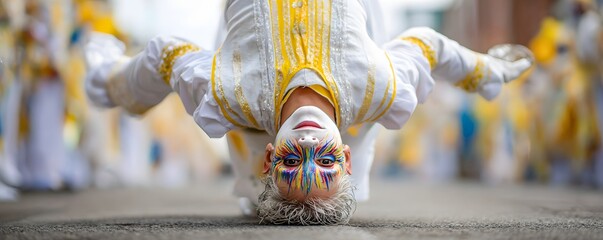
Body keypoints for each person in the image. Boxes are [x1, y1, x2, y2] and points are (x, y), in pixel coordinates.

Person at [85, 0, 533, 225]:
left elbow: (165, 56)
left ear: (268, 158)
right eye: (326, 159)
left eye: (292, 160)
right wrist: (488, 71)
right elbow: (428, 46)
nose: (308, 146)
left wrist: (107, 82)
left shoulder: (228, 94)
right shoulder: (378, 88)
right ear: (348, 157)